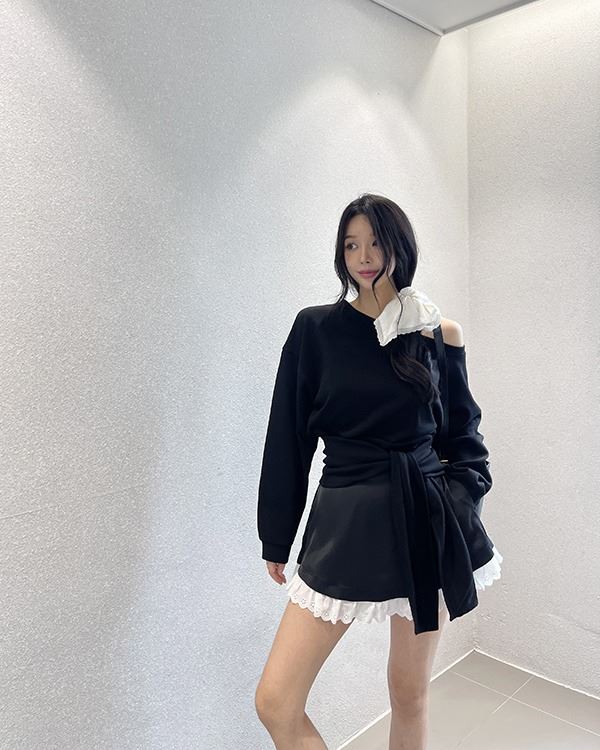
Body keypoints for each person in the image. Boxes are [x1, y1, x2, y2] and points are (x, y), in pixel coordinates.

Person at [254, 193, 503, 750]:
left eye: (375, 243)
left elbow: (464, 441)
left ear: (400, 248)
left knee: (409, 695)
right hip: (345, 525)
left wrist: (458, 505)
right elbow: (287, 438)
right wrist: (277, 534)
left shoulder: (438, 333)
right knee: (275, 702)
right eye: (351, 245)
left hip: (427, 523)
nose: (363, 257)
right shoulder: (315, 330)